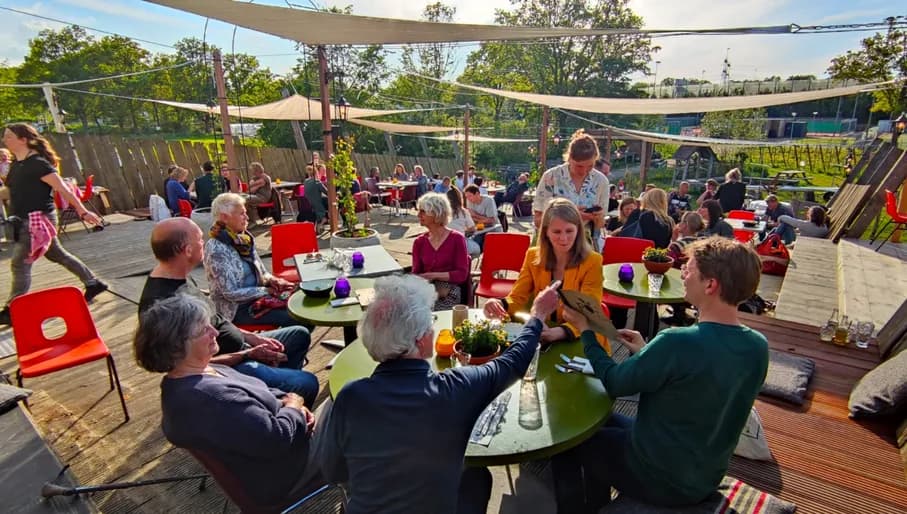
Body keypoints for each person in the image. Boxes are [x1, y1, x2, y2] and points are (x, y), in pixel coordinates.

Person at [553, 237, 769, 512]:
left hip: (659, 477)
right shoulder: (758, 346)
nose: (683, 275)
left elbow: (615, 382)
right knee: (598, 421)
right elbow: (699, 383)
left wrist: (586, 330)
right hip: (704, 472)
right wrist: (646, 352)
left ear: (710, 285)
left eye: (688, 270)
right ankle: (599, 503)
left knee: (565, 442)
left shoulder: (677, 342)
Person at [320, 274, 561, 514]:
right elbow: (511, 363)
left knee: (475, 478)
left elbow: (334, 472)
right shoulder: (453, 390)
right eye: (430, 325)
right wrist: (538, 314)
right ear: (422, 339)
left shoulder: (350, 397)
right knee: (476, 479)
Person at [135, 294, 320, 510]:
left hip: (290, 439)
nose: (215, 332)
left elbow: (262, 394)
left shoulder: (194, 373)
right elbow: (276, 438)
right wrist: (294, 406)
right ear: (177, 347)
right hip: (289, 468)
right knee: (353, 409)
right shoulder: (211, 399)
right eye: (204, 330)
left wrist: (292, 406)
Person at [139, 217, 318, 403]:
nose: (205, 243)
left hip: (243, 347)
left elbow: (217, 320)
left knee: (299, 333)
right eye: (200, 239)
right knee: (307, 383)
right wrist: (245, 355)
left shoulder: (179, 277)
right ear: (187, 250)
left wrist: (252, 338)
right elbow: (182, 369)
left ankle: (272, 395)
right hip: (226, 368)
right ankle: (279, 402)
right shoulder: (163, 305)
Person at [0, 124, 107, 326]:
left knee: (20, 263)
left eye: (9, 136)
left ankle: (12, 310)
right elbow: (9, 192)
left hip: (38, 220)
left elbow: (63, 189)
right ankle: (93, 282)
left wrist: (82, 211)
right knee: (57, 254)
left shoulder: (38, 164)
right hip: (23, 219)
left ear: (24, 139)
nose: (5, 140)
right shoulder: (17, 165)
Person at [484, 199, 607, 349]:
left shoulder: (593, 261)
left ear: (578, 231)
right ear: (546, 232)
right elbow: (517, 297)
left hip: (580, 337)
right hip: (542, 334)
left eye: (569, 231)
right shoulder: (532, 256)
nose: (563, 238)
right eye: (556, 232)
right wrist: (498, 304)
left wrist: (561, 332)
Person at [204, 193, 301, 327]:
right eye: (242, 214)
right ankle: (278, 344)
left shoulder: (243, 239)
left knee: (301, 305)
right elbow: (230, 293)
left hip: (258, 298)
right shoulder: (217, 249)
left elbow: (262, 272)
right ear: (224, 218)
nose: (247, 217)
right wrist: (266, 291)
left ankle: (283, 343)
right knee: (297, 317)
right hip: (236, 310)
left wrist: (274, 281)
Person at [532, 129, 609, 247]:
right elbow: (537, 220)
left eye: (590, 166)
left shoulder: (601, 181)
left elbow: (600, 225)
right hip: (551, 244)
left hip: (583, 245)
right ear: (569, 158)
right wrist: (571, 215)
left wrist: (597, 218)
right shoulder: (551, 177)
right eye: (579, 166)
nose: (584, 171)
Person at [412, 193, 469, 310]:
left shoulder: (456, 239)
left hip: (450, 290)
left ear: (436, 213)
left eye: (423, 211)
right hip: (426, 290)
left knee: (434, 313)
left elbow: (462, 274)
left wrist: (433, 275)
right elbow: (416, 274)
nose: (418, 215)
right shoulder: (419, 242)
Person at [463, 183, 500, 250]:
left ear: (477, 193)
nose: (468, 199)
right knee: (466, 242)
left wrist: (475, 215)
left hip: (492, 229)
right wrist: (483, 219)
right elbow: (471, 218)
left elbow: (492, 221)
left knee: (477, 243)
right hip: (479, 228)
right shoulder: (470, 201)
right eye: (466, 197)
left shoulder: (488, 201)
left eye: (470, 196)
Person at [446, 187, 480, 258]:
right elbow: (472, 228)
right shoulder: (463, 211)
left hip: (444, 244)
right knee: (477, 249)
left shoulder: (441, 212)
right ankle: (466, 263)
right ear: (459, 198)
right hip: (459, 243)